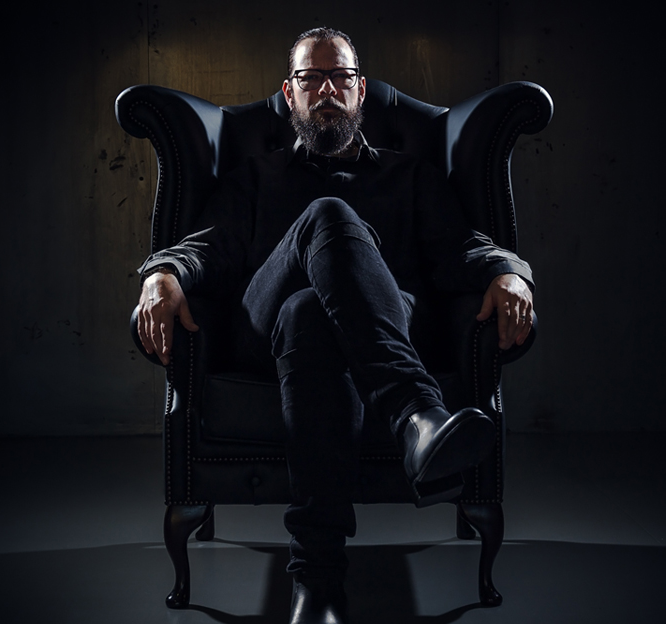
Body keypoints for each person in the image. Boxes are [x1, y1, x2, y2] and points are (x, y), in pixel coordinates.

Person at [135, 27, 534, 624]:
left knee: (309, 316)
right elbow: (207, 247)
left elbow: (461, 247)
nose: (326, 90)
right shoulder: (254, 176)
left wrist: (509, 271)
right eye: (311, 78)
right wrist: (161, 272)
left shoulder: (411, 176)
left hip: (376, 325)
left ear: (360, 90)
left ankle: (318, 585)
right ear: (289, 94)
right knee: (325, 216)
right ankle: (416, 414)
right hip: (260, 334)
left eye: (340, 77)